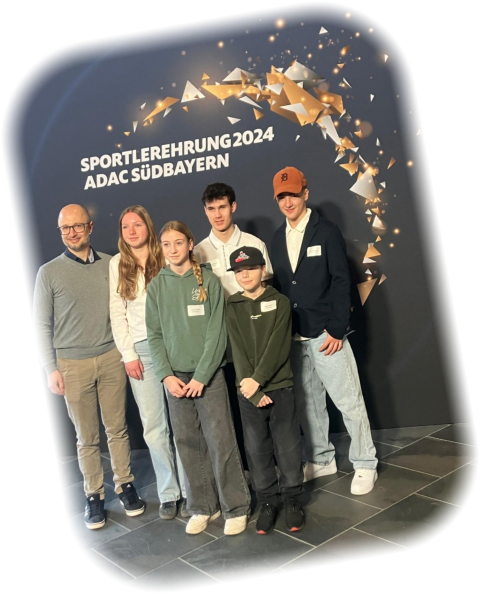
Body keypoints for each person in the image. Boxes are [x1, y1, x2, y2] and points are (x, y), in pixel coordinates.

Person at [32, 204, 145, 530]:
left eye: (78, 226)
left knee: (117, 429)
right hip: (71, 364)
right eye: (65, 228)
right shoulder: (48, 272)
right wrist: (50, 367)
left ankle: (125, 485)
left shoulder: (112, 265)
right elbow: (41, 324)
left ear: (90, 227)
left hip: (110, 358)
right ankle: (94, 495)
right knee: (86, 436)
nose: (72, 233)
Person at [270, 167, 378, 495]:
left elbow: (342, 281)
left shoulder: (327, 231)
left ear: (305, 193)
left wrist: (336, 329)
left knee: (348, 400)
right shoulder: (276, 238)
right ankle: (321, 459)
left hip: (326, 335)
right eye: (282, 197)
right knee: (309, 404)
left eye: (293, 194)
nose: (288, 202)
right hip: (294, 337)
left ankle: (365, 462)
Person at [145, 220, 251, 536]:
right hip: (175, 379)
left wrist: (202, 376)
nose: (172, 249)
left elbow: (217, 332)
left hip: (209, 375)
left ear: (190, 244)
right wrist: (166, 375)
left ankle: (236, 507)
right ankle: (203, 506)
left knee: (221, 440)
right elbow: (154, 335)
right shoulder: (157, 286)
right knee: (187, 442)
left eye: (178, 242)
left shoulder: (210, 281)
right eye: (166, 244)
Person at [109, 205, 187, 521]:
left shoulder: (166, 255)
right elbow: (117, 313)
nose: (131, 231)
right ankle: (169, 493)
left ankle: (192, 489)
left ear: (148, 227)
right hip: (141, 352)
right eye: (125, 226)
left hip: (173, 345)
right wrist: (128, 354)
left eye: (137, 224)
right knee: (154, 427)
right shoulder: (117, 264)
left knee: (182, 421)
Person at [194, 182, 274, 471]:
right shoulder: (198, 252)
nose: (217, 214)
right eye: (211, 209)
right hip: (220, 344)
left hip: (255, 340)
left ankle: (269, 469)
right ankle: (243, 474)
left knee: (261, 405)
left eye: (222, 207)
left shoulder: (255, 244)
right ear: (205, 211)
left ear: (233, 207)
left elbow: (268, 293)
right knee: (229, 409)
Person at [226, 246, 305, 534]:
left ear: (262, 270)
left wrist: (258, 380)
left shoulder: (280, 302)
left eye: (250, 269)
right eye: (238, 271)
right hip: (248, 392)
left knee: (287, 445)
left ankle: (293, 498)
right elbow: (237, 350)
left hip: (280, 386)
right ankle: (269, 501)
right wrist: (253, 390)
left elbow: (278, 346)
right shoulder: (232, 306)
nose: (244, 275)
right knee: (257, 448)